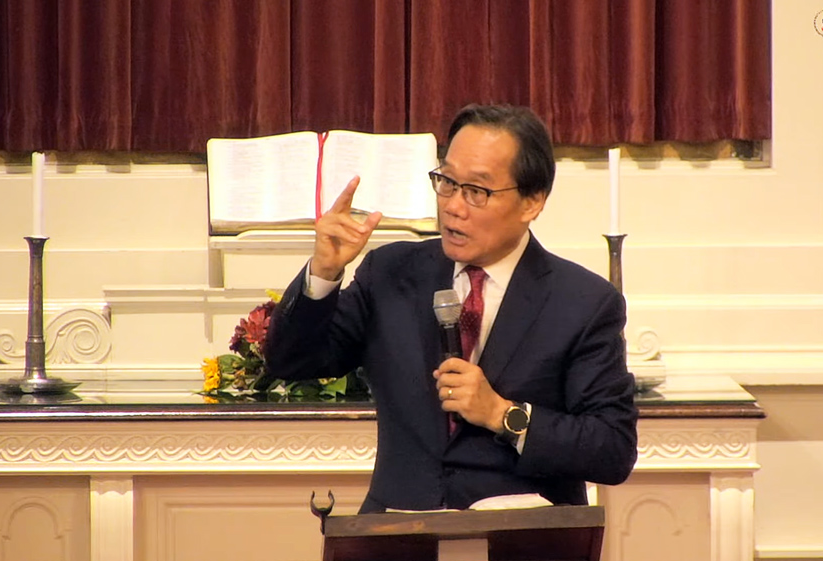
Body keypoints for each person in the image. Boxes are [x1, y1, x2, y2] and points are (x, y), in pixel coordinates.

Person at [265, 104, 637, 513]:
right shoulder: (390, 273)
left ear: (532, 202)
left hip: (522, 537)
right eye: (446, 182)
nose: (453, 207)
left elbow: (612, 450)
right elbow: (291, 362)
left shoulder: (582, 302)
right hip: (399, 532)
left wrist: (503, 414)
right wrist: (323, 272)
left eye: (476, 191)